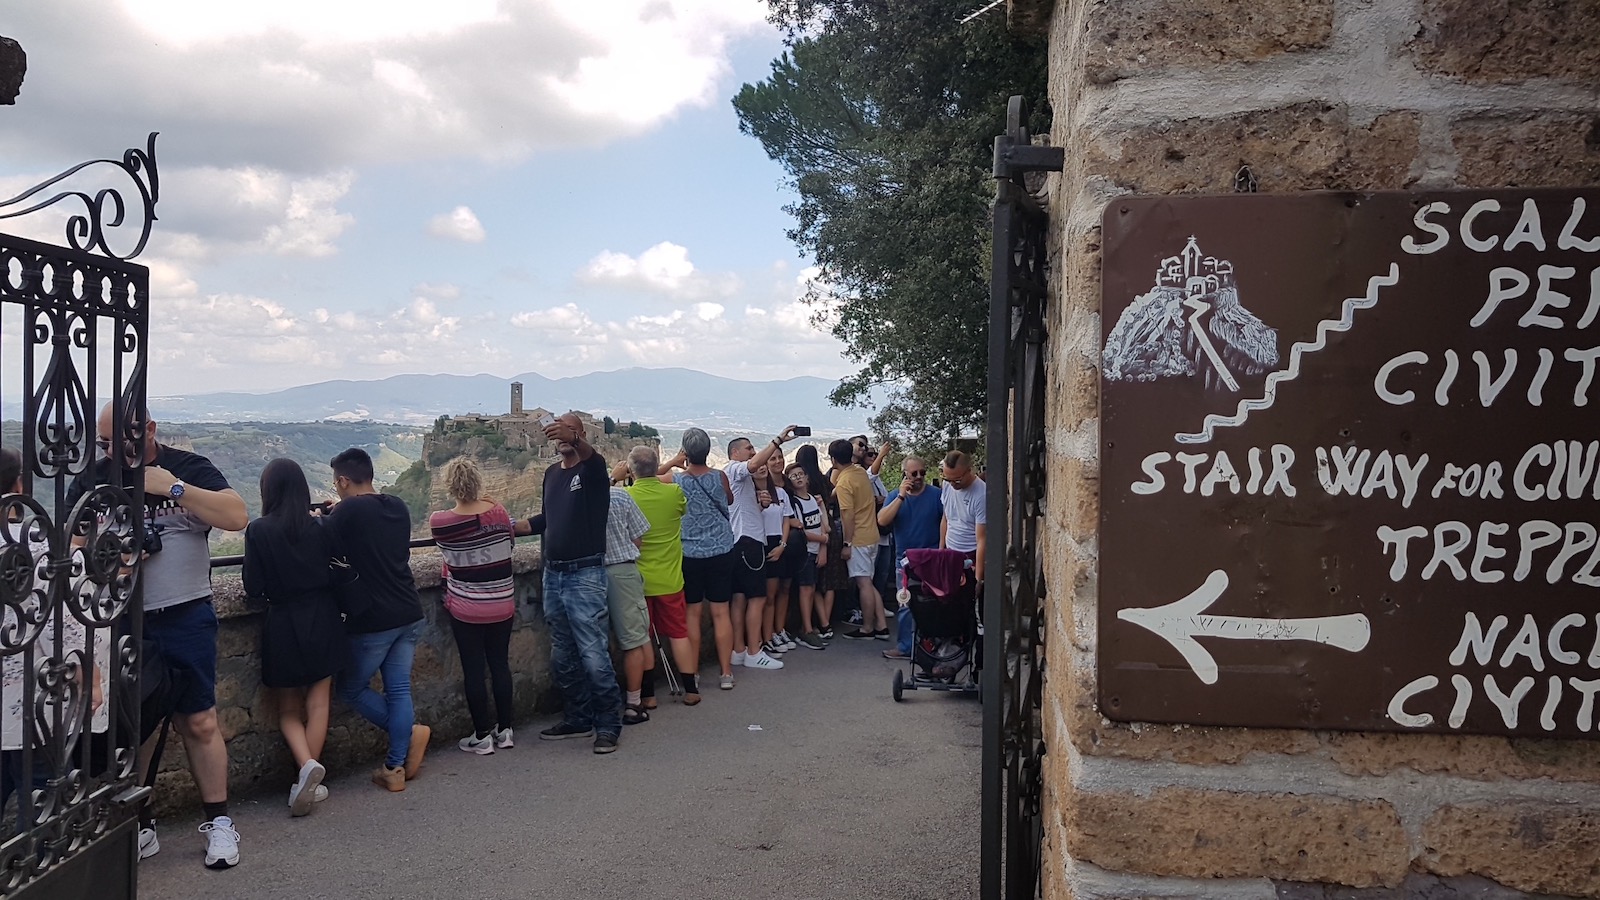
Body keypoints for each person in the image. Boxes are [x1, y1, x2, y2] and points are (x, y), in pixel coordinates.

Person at [68, 402, 248, 869]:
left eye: (117, 440)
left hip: (186, 613)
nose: (109, 451)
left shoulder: (187, 467)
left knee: (200, 721)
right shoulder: (94, 480)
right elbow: (71, 554)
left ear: (148, 428)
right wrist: (116, 562)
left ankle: (220, 823)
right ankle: (141, 822)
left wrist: (170, 487)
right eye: (104, 442)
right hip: (123, 620)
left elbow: (235, 515)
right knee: (133, 726)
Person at [1, 448, 110, 826]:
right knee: (41, 803)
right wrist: (90, 677)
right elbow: (59, 619)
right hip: (33, 699)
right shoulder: (33, 544)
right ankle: (31, 882)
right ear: (19, 485)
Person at [324, 448, 431, 791]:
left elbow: (320, 539)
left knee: (351, 689)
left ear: (342, 480)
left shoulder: (348, 511)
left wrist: (329, 514)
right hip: (408, 610)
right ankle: (394, 766)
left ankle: (407, 742)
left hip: (373, 619)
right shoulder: (396, 505)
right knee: (398, 689)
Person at [242, 459, 344, 816]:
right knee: (319, 702)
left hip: (284, 620)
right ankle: (308, 775)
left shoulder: (259, 530)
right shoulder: (323, 528)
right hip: (324, 615)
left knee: (288, 707)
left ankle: (306, 770)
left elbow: (252, 587)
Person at [522, 414, 621, 754]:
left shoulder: (591, 472)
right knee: (563, 654)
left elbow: (597, 460)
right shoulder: (551, 475)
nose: (562, 437)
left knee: (593, 653)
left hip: (585, 575)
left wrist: (576, 439)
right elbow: (549, 518)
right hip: (555, 574)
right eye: (559, 431)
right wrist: (514, 527)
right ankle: (578, 717)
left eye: (569, 431)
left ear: (578, 434)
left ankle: (608, 724)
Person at [429, 458, 517, 756]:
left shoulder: (440, 522)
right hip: (502, 602)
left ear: (450, 485)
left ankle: (482, 736)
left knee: (474, 671)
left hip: (466, 608)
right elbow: (510, 544)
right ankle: (505, 731)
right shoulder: (500, 514)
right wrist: (491, 503)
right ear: (480, 482)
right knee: (500, 664)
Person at [659, 428, 736, 689]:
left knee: (692, 614)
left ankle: (692, 673)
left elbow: (647, 477)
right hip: (721, 551)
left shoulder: (676, 481)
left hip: (689, 553)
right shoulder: (720, 477)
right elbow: (729, 499)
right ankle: (726, 673)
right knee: (721, 612)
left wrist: (672, 461)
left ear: (685, 452)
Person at [624, 446, 700, 706]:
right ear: (655, 466)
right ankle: (691, 689)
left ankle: (648, 696)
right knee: (679, 634)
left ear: (631, 470)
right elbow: (681, 512)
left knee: (642, 638)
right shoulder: (674, 492)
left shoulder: (626, 497)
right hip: (670, 579)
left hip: (639, 581)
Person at [722, 429, 799, 671]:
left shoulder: (734, 478)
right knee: (757, 598)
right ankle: (755, 652)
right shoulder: (734, 468)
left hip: (736, 543)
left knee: (738, 599)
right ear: (736, 453)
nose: (754, 453)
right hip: (750, 543)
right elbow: (754, 465)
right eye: (749, 449)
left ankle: (739, 650)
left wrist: (759, 503)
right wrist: (778, 440)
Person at [876, 455, 944, 660]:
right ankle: (905, 646)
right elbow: (882, 520)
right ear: (904, 474)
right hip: (905, 560)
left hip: (932, 558)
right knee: (905, 603)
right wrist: (901, 497)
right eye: (914, 473)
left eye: (922, 473)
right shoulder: (895, 495)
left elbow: (947, 521)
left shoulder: (936, 495)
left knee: (934, 604)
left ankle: (932, 645)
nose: (919, 477)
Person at [603, 465, 653, 725]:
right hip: (622, 571)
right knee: (634, 639)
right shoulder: (621, 497)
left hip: (588, 574)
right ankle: (634, 703)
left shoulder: (578, 501)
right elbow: (638, 537)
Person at [831, 439, 886, 640]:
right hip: (872, 534)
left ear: (833, 459)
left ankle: (867, 628)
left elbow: (847, 515)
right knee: (869, 583)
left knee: (863, 584)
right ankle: (881, 624)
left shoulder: (844, 482)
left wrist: (847, 543)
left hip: (859, 538)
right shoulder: (860, 472)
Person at [795, 444, 844, 639]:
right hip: (828, 528)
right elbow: (833, 496)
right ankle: (827, 622)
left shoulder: (805, 485)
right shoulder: (824, 480)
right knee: (828, 582)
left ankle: (822, 622)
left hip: (817, 532)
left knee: (813, 582)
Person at [783, 461, 830, 650]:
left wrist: (823, 545)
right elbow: (803, 531)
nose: (798, 478)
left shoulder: (812, 499)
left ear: (807, 477)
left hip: (815, 550)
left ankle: (807, 627)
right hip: (805, 553)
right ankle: (807, 629)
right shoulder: (795, 503)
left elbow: (824, 525)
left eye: (801, 474)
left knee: (811, 589)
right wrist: (823, 541)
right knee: (806, 589)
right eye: (793, 476)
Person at [757, 451, 799, 655]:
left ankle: (772, 633)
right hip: (759, 543)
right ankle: (762, 638)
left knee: (774, 594)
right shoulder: (752, 494)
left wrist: (782, 544)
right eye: (769, 459)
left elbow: (786, 519)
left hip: (778, 542)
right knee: (762, 596)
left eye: (778, 458)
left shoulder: (781, 493)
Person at [940, 451, 988, 580]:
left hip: (970, 553)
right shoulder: (947, 485)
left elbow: (982, 539)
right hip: (950, 549)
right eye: (947, 479)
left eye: (957, 479)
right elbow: (945, 518)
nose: (952, 484)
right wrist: (941, 550)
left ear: (969, 470)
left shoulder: (981, 494)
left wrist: (978, 577)